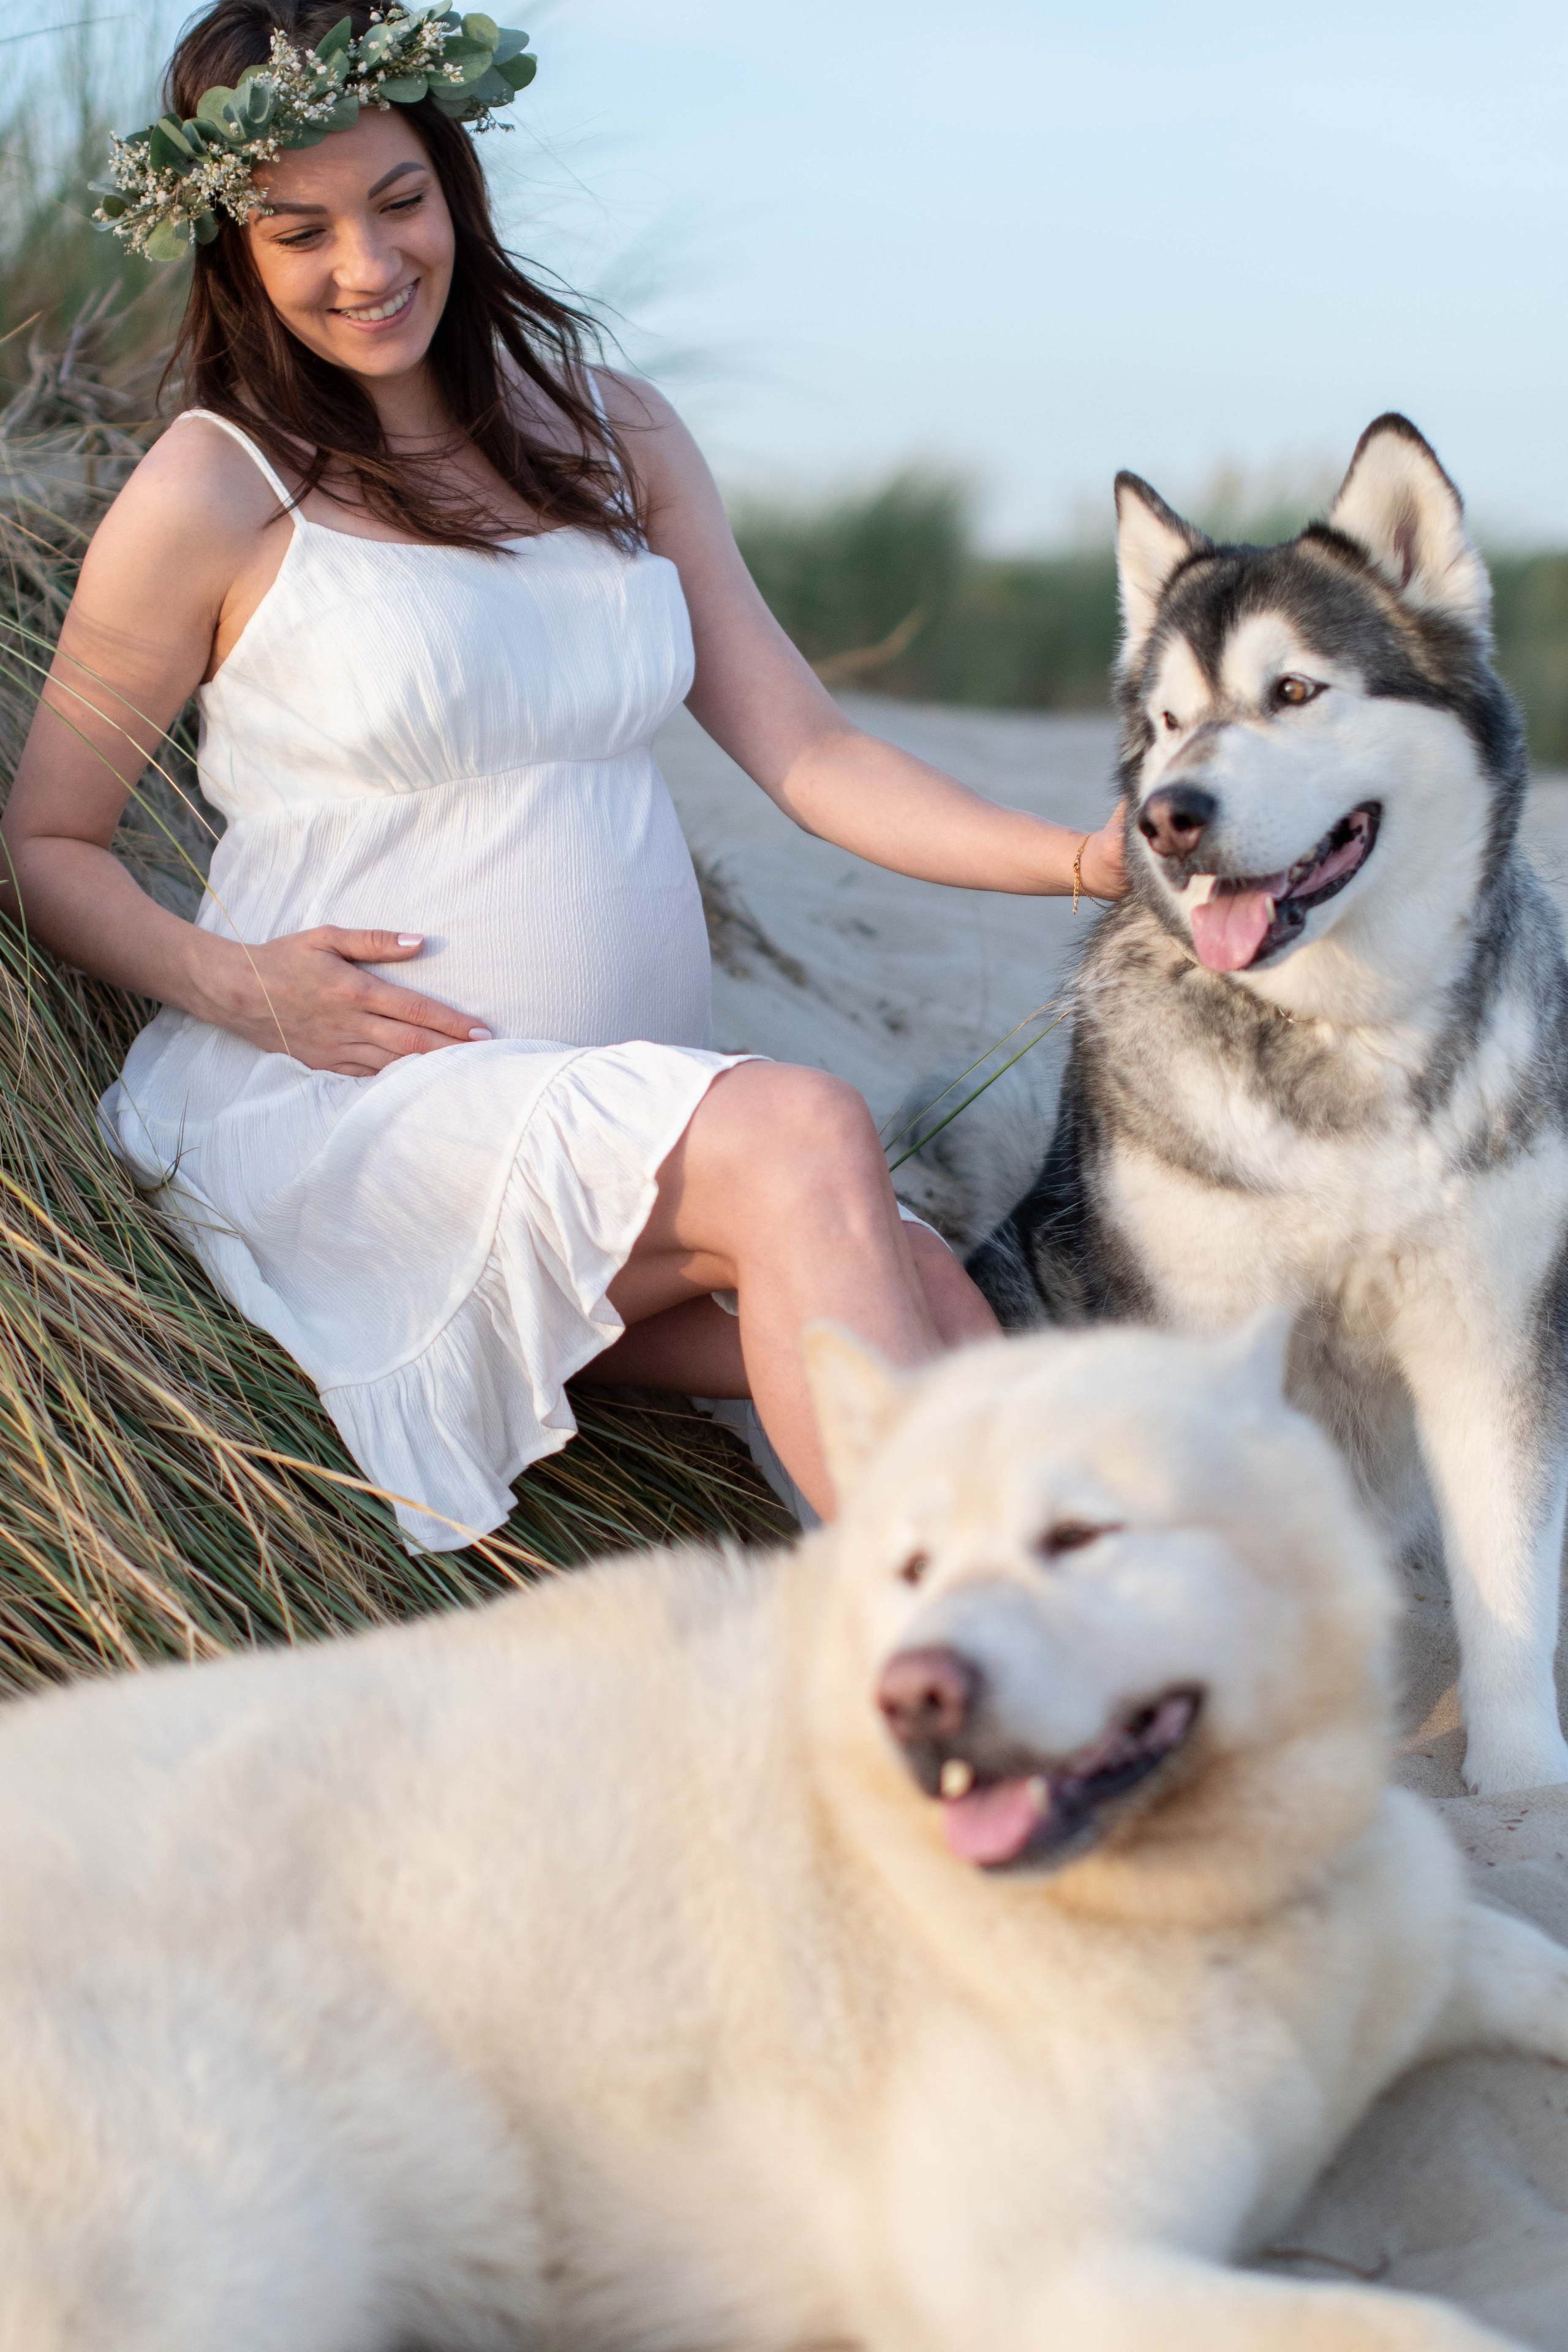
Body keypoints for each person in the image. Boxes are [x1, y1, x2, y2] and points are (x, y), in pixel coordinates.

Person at [2, 0, 1126, 1547]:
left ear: (454, 183)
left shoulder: (615, 436)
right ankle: (943, 1652)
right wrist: (243, 987)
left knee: (927, 1289)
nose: (366, 264)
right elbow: (50, 841)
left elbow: (809, 751)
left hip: (604, 1124)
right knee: (805, 1132)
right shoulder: (218, 483)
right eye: (299, 230)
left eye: (399, 201)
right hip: (354, 1119)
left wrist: (1085, 859)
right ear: (233, 249)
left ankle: (1030, 1666)